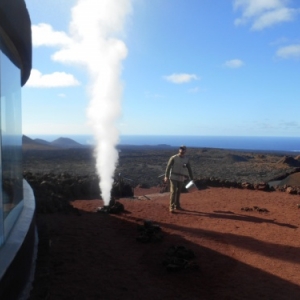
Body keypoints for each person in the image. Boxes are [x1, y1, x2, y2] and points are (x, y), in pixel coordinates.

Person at [164, 145, 193, 212]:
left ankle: (177, 205)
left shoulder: (186, 159)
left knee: (178, 192)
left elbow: (189, 169)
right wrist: (166, 176)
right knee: (173, 191)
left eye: (183, 149)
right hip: (173, 177)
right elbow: (168, 167)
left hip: (181, 178)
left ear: (185, 151)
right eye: (181, 149)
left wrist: (192, 178)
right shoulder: (174, 158)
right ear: (179, 150)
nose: (182, 150)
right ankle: (171, 207)